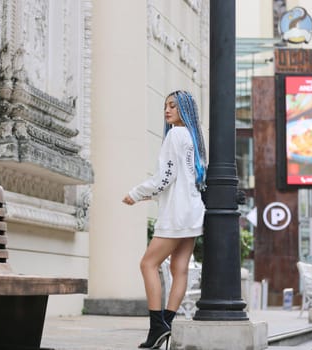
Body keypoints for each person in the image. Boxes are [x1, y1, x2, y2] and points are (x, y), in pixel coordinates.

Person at [122, 90, 206, 349]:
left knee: (148, 263)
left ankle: (158, 325)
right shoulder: (193, 138)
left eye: (173, 106)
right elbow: (182, 178)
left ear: (185, 109)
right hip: (192, 212)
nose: (167, 110)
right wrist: (154, 196)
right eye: (165, 106)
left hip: (177, 215)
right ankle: (166, 324)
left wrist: (136, 193)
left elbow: (165, 178)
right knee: (178, 268)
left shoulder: (175, 134)